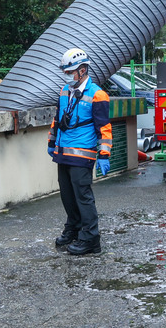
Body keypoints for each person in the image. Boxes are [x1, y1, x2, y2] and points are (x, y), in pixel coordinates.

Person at [47, 48, 112, 255]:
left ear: (83, 70)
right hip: (63, 151)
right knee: (67, 195)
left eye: (71, 72)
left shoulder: (97, 94)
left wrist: (104, 154)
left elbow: (104, 128)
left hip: (82, 154)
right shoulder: (65, 91)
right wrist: (51, 142)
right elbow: (57, 119)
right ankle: (73, 229)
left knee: (83, 196)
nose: (68, 76)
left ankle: (91, 239)